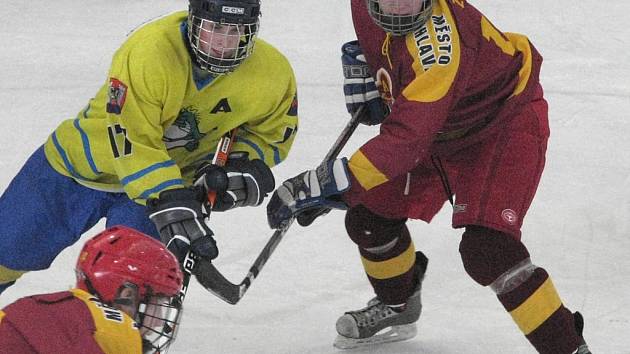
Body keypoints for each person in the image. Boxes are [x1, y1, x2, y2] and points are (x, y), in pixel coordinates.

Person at [267, 0, 591, 353]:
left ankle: (568, 347)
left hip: (500, 124)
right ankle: (398, 306)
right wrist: (380, 68)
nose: (400, 6)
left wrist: (330, 184)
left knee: (489, 250)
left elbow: (405, 142)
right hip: (435, 126)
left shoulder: (440, 47)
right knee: (369, 219)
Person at [0, 0, 298, 294]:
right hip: (81, 168)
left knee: (130, 293)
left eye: (235, 31)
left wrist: (241, 166)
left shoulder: (273, 73)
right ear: (194, 20)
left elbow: (272, 134)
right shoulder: (149, 51)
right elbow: (130, 138)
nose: (223, 42)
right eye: (215, 27)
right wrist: (170, 196)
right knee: (5, 253)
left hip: (160, 193)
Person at [0, 226, 184, 353]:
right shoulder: (109, 330)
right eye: (156, 303)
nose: (158, 322)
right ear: (126, 295)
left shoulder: (49, 310)